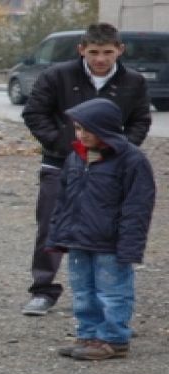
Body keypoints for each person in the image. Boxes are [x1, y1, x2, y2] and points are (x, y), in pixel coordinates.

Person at [21, 22, 151, 316]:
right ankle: (43, 290)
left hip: (112, 169)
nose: (100, 59)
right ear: (82, 50)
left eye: (107, 52)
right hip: (60, 165)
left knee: (108, 229)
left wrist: (121, 151)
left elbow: (140, 120)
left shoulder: (134, 82)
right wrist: (63, 146)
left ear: (120, 50)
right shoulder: (57, 75)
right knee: (51, 226)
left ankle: (107, 294)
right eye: (94, 52)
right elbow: (34, 112)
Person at [47, 98, 155, 360]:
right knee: (83, 292)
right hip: (78, 240)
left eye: (87, 129)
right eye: (78, 129)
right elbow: (63, 200)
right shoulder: (76, 158)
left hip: (110, 243)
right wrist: (57, 234)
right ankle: (89, 335)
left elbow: (137, 208)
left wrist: (130, 246)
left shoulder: (131, 160)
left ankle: (114, 339)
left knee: (113, 292)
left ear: (106, 128)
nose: (81, 135)